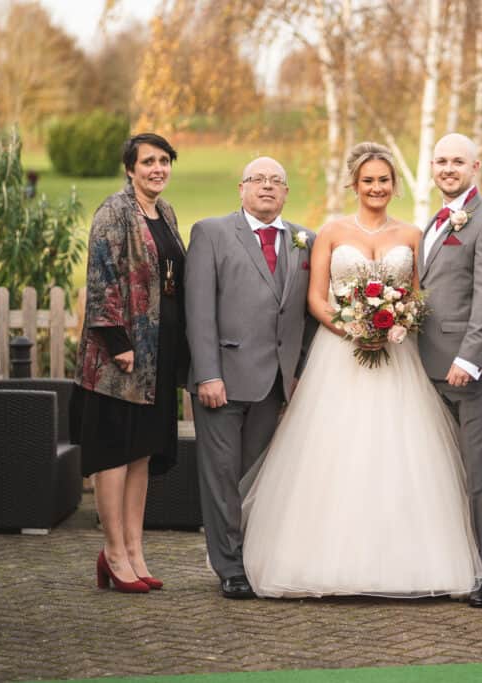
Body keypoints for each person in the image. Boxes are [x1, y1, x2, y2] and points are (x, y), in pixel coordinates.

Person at [239, 142, 482, 598]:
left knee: (400, 454)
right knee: (335, 454)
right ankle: (324, 562)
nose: (377, 188)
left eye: (384, 180)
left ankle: (405, 564)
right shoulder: (330, 233)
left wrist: (396, 321)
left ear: (393, 185)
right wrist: (352, 328)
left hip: (396, 357)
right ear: (355, 184)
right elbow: (315, 299)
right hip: (340, 356)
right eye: (368, 180)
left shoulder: (412, 234)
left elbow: (416, 295)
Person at [184, 157, 315, 599]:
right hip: (222, 380)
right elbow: (198, 311)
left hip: (274, 385)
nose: (267, 187)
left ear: (286, 193)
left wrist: (297, 372)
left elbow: (307, 315)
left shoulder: (305, 241)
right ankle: (230, 568)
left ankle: (255, 556)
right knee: (221, 478)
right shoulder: (212, 233)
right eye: (258, 179)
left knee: (256, 477)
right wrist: (207, 374)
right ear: (241, 188)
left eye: (277, 181)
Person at [72, 133, 187, 594]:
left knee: (141, 454)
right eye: (148, 162)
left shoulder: (166, 213)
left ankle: (135, 551)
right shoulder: (113, 213)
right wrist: (118, 342)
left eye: (164, 161)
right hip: (118, 360)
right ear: (130, 168)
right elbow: (100, 281)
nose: (157, 169)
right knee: (114, 455)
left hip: (157, 356)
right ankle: (112, 552)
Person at [418, 133, 482, 608]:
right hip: (425, 368)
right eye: (441, 161)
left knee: (480, 474)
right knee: (442, 472)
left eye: (458, 161)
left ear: (475, 167)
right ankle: (452, 562)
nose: (448, 168)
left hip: (471, 372)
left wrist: (469, 357)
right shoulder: (432, 222)